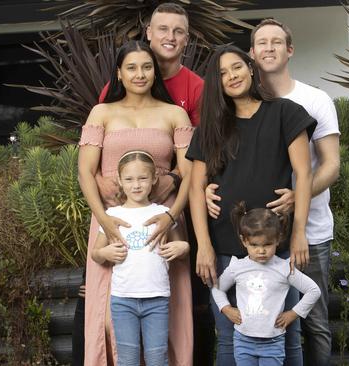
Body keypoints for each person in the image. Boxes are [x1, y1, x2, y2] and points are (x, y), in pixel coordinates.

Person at [206, 18, 340, 365]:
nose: (269, 48)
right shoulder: (224, 114)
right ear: (253, 53)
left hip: (304, 230)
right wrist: (205, 188)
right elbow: (212, 166)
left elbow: (329, 165)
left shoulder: (310, 101)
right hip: (245, 237)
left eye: (276, 42)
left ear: (289, 49)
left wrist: (299, 198)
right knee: (243, 327)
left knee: (310, 323)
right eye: (261, 42)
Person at [187, 44, 316, 366]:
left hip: (276, 246)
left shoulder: (285, 112)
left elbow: (303, 172)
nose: (231, 76)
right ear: (216, 84)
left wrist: (298, 233)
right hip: (226, 246)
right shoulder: (211, 128)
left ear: (250, 67)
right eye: (222, 74)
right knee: (229, 337)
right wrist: (203, 245)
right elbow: (194, 187)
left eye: (236, 67)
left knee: (287, 333)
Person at [78, 40, 194, 366]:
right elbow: (86, 172)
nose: (139, 74)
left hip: (163, 220)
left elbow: (189, 170)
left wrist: (172, 216)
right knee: (107, 311)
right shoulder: (102, 112)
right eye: (131, 67)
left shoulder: (174, 113)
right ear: (119, 73)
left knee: (168, 307)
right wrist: (104, 219)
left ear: (155, 71)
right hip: (112, 219)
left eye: (146, 66)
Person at [91, 150, 189, 366]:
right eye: (129, 179)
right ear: (119, 180)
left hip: (157, 299)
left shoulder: (163, 213)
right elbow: (95, 254)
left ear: (154, 179)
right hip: (123, 300)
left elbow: (181, 249)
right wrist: (105, 253)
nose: (136, 185)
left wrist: (183, 247)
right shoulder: (112, 215)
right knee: (128, 359)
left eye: (143, 178)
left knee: (157, 358)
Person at [211, 202, 320, 366]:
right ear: (244, 241)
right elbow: (217, 288)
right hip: (243, 341)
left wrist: (293, 313)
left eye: (267, 244)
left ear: (278, 240)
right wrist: (226, 309)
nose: (261, 251)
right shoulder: (238, 267)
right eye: (254, 245)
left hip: (273, 343)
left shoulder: (284, 268)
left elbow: (313, 290)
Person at [98, 3, 203, 126]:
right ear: (149, 32)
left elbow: (202, 141)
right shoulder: (120, 86)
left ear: (186, 39)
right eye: (163, 29)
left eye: (178, 31)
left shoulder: (198, 89)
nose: (170, 37)